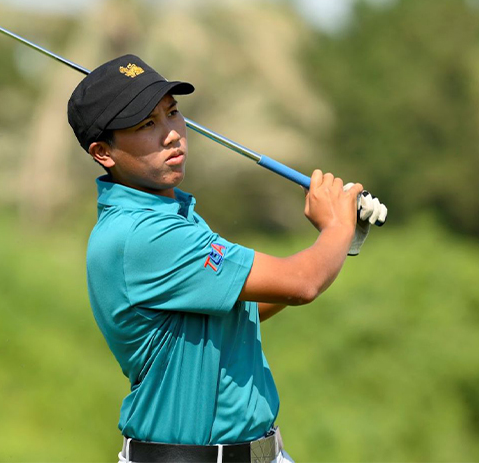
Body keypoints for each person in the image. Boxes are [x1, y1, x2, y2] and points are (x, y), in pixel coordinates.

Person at [67, 54, 386, 463]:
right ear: (103, 152)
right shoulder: (141, 234)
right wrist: (336, 228)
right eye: (146, 125)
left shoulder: (173, 214)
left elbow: (245, 304)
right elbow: (302, 284)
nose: (172, 134)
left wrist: (336, 238)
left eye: (172, 113)